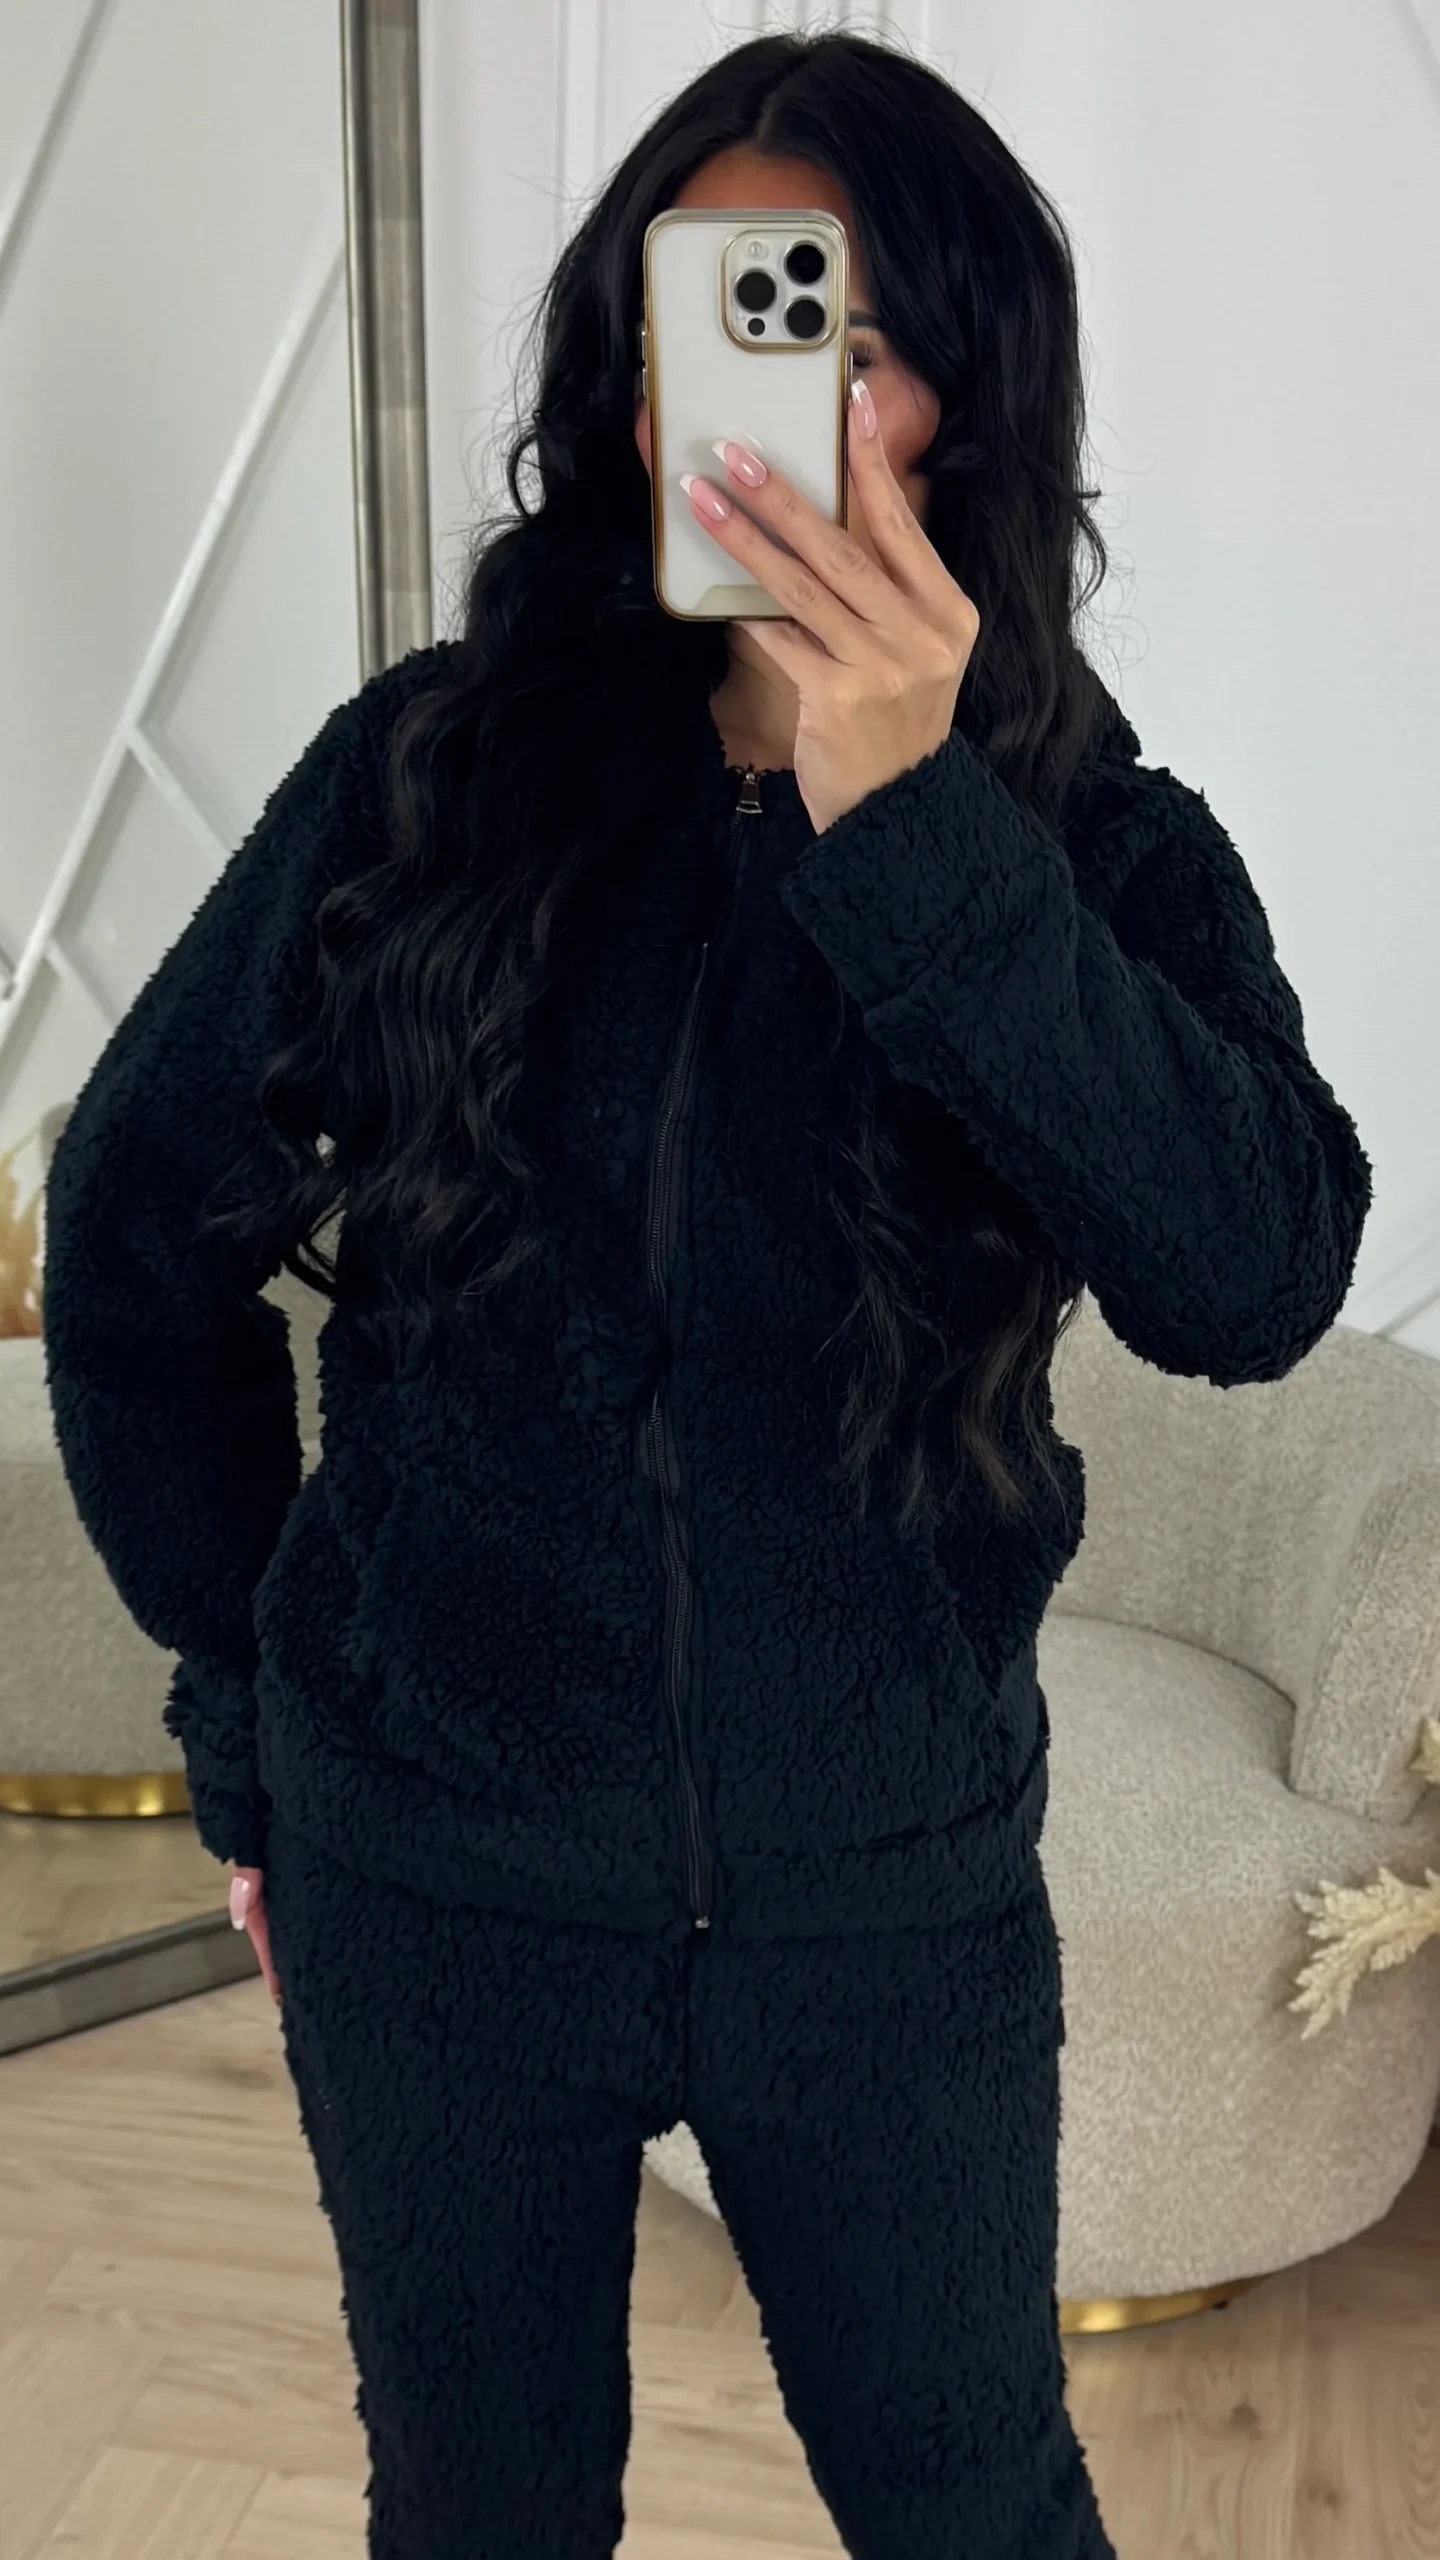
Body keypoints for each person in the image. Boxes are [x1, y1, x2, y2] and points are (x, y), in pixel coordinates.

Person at [40, 29, 1372, 2560]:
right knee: (480, 2510)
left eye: (833, 329)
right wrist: (255, 1721)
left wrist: (921, 834)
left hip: (890, 1907)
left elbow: (1253, 1275)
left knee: (980, 2509)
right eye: (709, 311)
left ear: (961, 401)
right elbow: (131, 1238)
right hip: (434, 1881)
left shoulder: (1097, 854)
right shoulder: (425, 779)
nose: (746, 389)